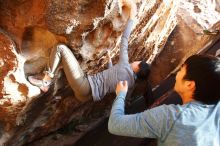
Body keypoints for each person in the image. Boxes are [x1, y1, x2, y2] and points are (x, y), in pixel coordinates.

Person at [28, 0, 150, 102]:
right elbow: (111, 81)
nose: (134, 61)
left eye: (137, 62)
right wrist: (109, 61)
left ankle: (46, 81)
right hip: (85, 96)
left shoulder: (125, 66)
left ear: (137, 67)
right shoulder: (129, 85)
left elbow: (125, 40)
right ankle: (54, 95)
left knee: (60, 48)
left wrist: (132, 18)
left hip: (85, 86)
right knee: (68, 72)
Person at [108, 54, 220, 146]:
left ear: (190, 84)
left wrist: (121, 94)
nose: (177, 74)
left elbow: (115, 124)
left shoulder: (171, 117)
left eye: (181, 70)